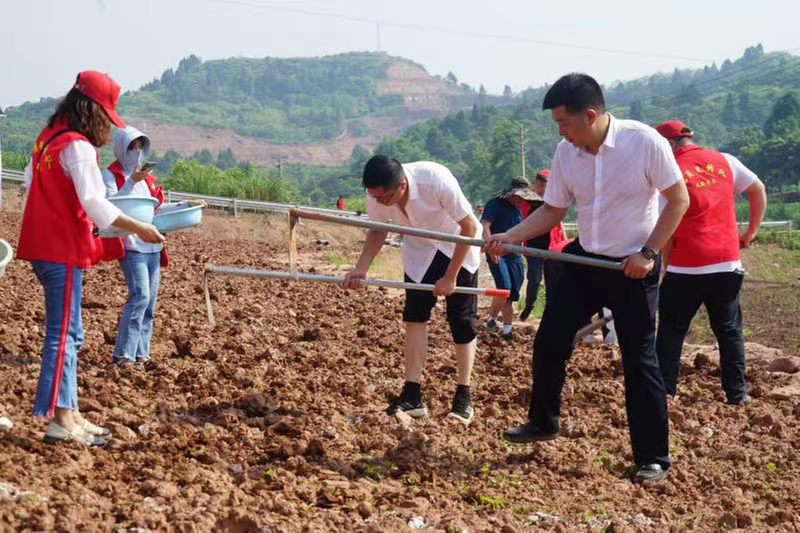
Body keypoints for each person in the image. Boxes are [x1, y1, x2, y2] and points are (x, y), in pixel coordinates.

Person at [485, 73, 689, 484]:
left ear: (591, 115)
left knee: (639, 359)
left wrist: (649, 253)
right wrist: (511, 236)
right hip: (585, 260)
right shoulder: (567, 152)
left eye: (564, 122)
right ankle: (543, 421)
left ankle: (652, 457)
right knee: (549, 340)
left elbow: (678, 199)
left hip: (632, 265)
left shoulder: (644, 143)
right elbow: (553, 209)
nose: (560, 132)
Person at [17, 71, 165, 446]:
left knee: (71, 331)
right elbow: (95, 204)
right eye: (106, 117)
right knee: (63, 334)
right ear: (93, 110)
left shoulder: (48, 138)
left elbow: (30, 183)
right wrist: (139, 226)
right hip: (61, 248)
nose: (107, 127)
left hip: (42, 246)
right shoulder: (79, 147)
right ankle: (61, 421)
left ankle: (71, 413)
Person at [343, 156, 481, 425]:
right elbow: (378, 230)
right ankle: (412, 394)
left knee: (461, 320)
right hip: (420, 253)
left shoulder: (434, 179)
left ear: (402, 186)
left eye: (384, 198)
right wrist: (361, 268)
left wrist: (450, 277)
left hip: (457, 247)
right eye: (374, 197)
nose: (379, 202)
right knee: (415, 317)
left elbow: (469, 226)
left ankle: (464, 395)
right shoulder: (376, 193)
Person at [654, 120, 766, 405]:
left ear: (668, 144)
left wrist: (668, 266)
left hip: (686, 266)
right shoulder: (725, 160)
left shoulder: (670, 170)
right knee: (729, 330)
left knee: (671, 330)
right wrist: (750, 232)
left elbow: (666, 228)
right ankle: (737, 394)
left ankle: (665, 392)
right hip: (727, 264)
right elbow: (757, 189)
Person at [103, 126, 203, 365]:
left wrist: (185, 204)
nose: (137, 152)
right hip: (132, 246)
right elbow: (111, 206)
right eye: (132, 146)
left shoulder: (146, 180)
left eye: (140, 146)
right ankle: (123, 354)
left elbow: (155, 209)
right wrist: (131, 182)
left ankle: (141, 353)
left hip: (153, 247)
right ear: (121, 148)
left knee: (149, 303)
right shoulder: (110, 176)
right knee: (140, 296)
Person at [481, 177, 538, 341]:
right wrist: (490, 247)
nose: (520, 199)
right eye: (518, 195)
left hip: (515, 255)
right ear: (510, 193)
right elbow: (485, 225)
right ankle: (493, 318)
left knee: (513, 293)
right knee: (504, 288)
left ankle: (506, 329)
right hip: (498, 252)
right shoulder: (494, 204)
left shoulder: (517, 210)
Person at [518, 169, 568, 321]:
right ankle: (529, 305)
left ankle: (551, 310)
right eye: (540, 185)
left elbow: (559, 222)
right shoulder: (526, 203)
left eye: (545, 186)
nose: (542, 189)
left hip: (552, 246)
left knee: (553, 280)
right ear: (535, 185)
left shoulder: (554, 202)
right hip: (533, 247)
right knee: (534, 278)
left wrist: (565, 240)